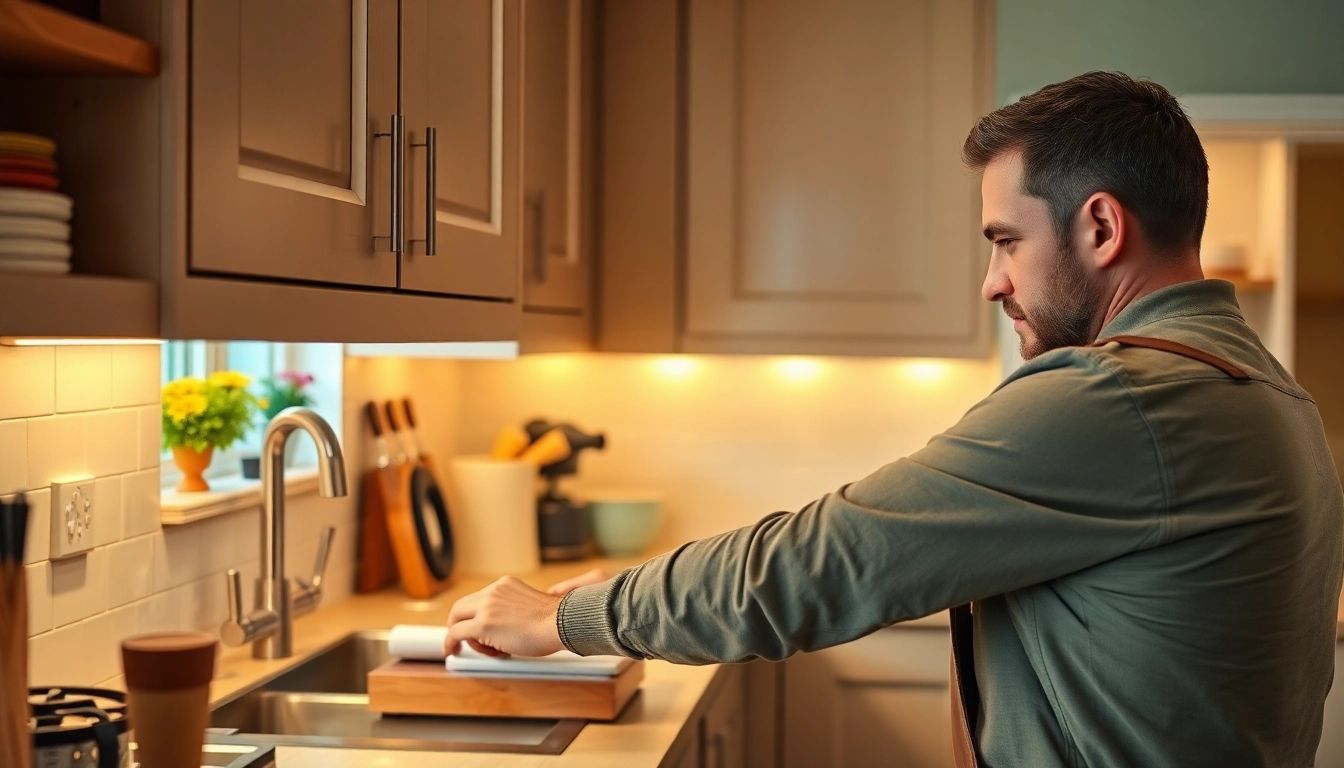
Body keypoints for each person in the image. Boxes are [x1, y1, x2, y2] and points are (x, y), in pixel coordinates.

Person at [443, 72, 1344, 767]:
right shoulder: (1269, 393)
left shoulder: (1120, 400)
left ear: (1100, 227)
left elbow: (823, 559)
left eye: (1006, 241)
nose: (993, 281)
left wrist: (574, 619)